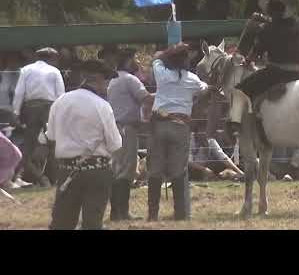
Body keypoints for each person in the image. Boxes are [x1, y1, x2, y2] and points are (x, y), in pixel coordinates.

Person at [46, 60, 122, 230]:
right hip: (96, 171)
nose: (108, 86)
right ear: (99, 79)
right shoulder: (102, 106)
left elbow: (50, 136)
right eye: (107, 81)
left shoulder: (60, 101)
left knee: (62, 223)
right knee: (92, 223)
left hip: (67, 170)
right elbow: (115, 144)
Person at [148, 42, 215, 221]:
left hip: (159, 123)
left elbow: (156, 58)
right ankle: (180, 214)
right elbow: (206, 89)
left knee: (155, 170)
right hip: (180, 125)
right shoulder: (192, 79)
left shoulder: (161, 73)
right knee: (179, 170)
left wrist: (169, 51)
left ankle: (152, 215)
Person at [229, 0, 299, 136]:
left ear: (270, 13)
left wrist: (246, 61)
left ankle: (235, 125)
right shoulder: (295, 24)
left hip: (276, 73)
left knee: (238, 91)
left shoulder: (267, 29)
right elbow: (280, 24)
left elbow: (256, 52)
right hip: (295, 72)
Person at [107, 48, 155, 221]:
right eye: (134, 58)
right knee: (126, 170)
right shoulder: (129, 79)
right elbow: (147, 99)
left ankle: (116, 212)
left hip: (116, 128)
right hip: (127, 129)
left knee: (118, 169)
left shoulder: (113, 80)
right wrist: (168, 94)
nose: (137, 62)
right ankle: (122, 212)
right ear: (127, 61)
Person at [11, 48, 65, 187]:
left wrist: (16, 112)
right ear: (52, 58)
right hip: (50, 107)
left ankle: (26, 177)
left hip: (31, 107)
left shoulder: (26, 69)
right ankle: (59, 179)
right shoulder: (54, 71)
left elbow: (19, 92)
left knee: (28, 145)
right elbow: (61, 95)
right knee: (55, 144)